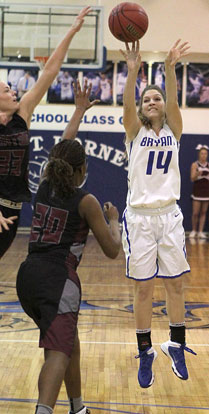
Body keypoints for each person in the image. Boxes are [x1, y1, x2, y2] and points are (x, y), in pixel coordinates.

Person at [16, 79, 121, 414]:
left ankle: (78, 408)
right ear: (82, 169)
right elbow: (112, 250)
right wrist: (114, 220)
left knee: (68, 342)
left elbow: (64, 144)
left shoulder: (45, 184)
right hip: (58, 281)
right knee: (58, 352)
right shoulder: (86, 201)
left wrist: (77, 110)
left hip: (27, 277)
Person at [120, 39, 196, 389]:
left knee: (176, 283)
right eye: (146, 99)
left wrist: (168, 68)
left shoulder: (173, 130)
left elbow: (175, 99)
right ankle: (146, 350)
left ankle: (176, 344)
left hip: (170, 216)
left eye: (156, 98)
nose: (151, 102)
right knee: (144, 290)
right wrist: (134, 71)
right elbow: (128, 105)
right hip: (139, 219)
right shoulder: (134, 132)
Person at [0, 6, 91, 259]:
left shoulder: (22, 114)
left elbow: (50, 71)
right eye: (7, 90)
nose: (14, 92)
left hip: (13, 208)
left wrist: (72, 31)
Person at [189, 145, 209, 239]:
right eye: (202, 153)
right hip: (197, 191)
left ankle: (200, 231)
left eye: (205, 153)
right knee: (195, 212)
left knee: (203, 212)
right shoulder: (195, 164)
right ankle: (194, 230)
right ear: (199, 154)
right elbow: (192, 178)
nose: (204, 155)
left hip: (206, 192)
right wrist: (198, 173)